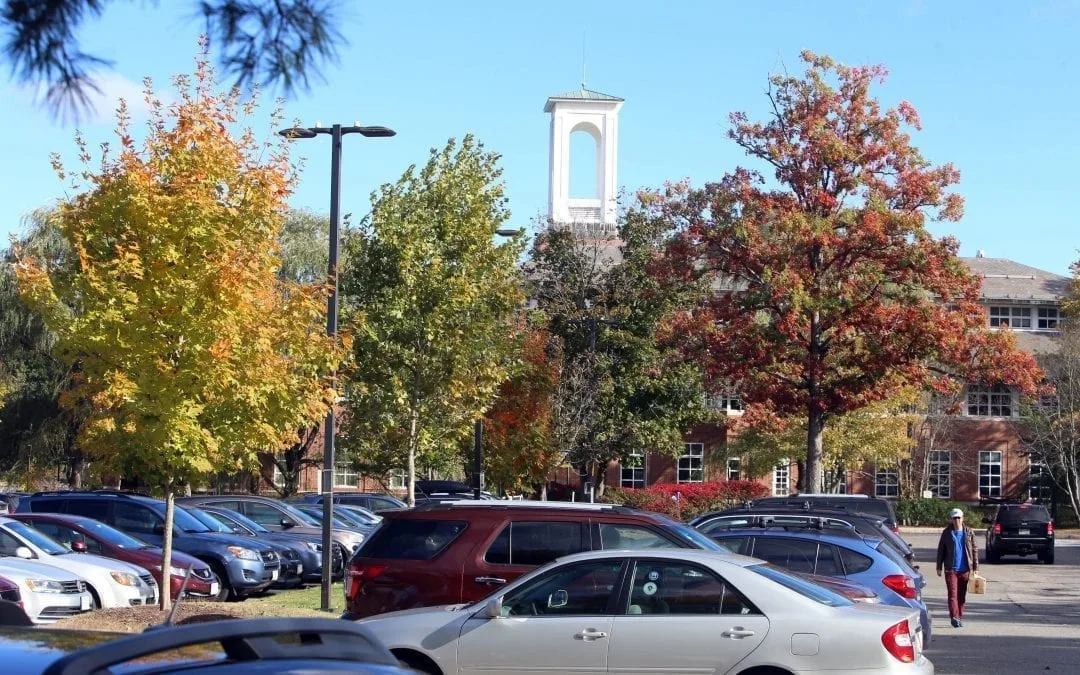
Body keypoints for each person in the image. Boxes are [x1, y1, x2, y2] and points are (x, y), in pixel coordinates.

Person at [936, 507, 978, 628]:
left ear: (962, 518)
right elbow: (941, 550)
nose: (957, 520)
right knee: (952, 594)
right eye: (954, 518)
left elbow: (974, 550)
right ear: (951, 519)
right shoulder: (947, 533)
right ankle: (954, 617)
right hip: (951, 569)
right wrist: (939, 566)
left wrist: (976, 567)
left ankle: (959, 616)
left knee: (961, 596)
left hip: (965, 570)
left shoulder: (968, 532)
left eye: (959, 517)